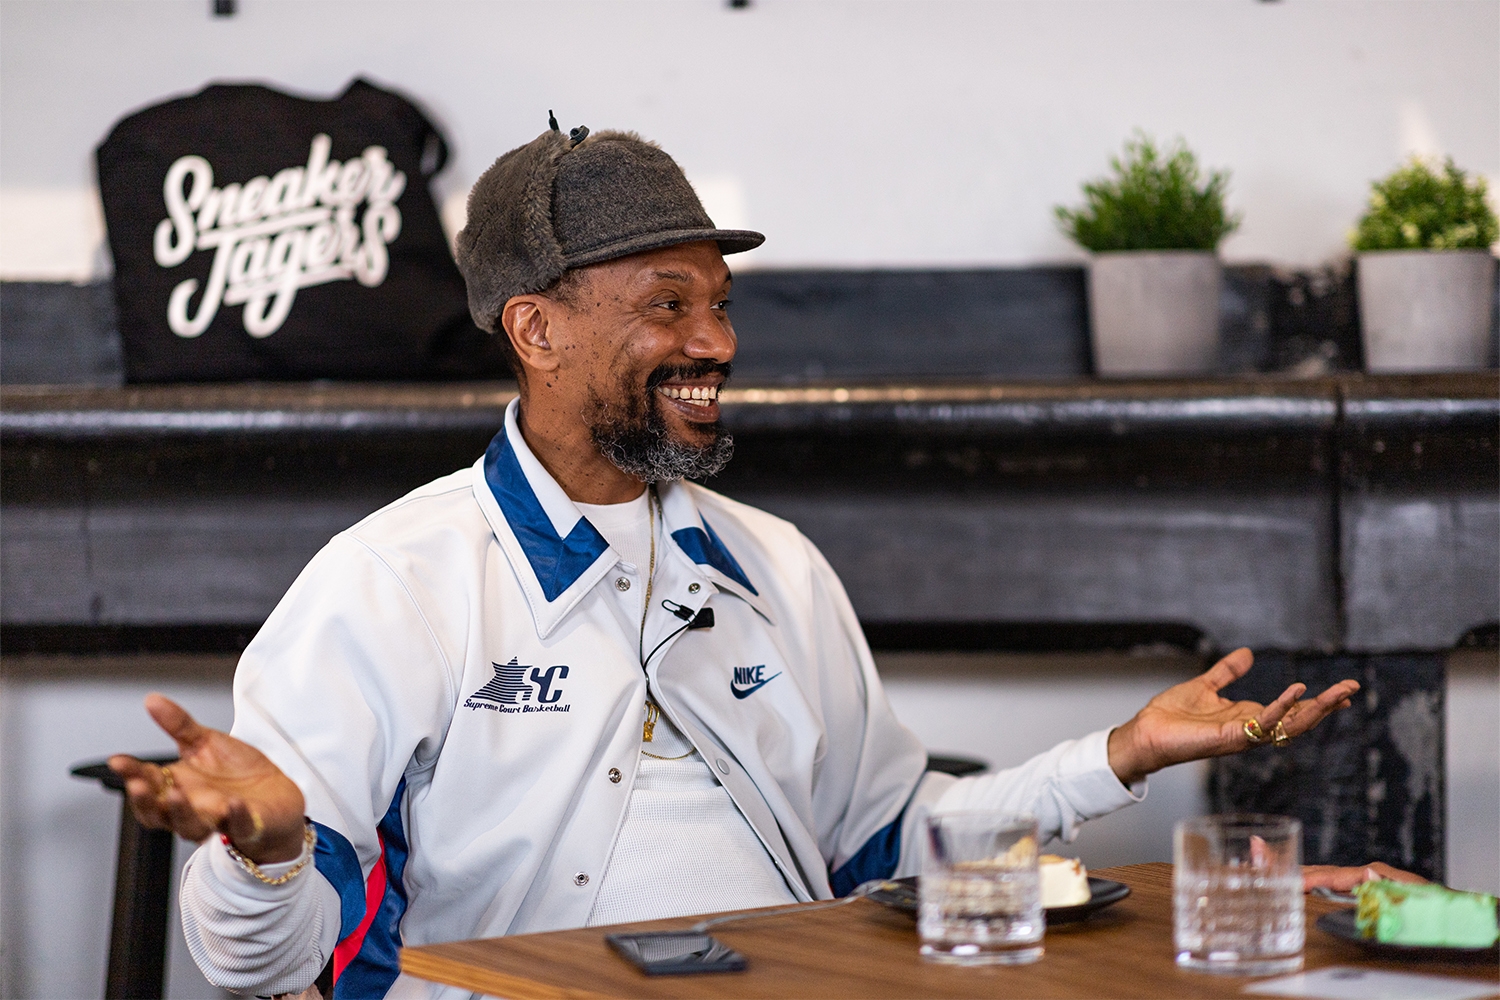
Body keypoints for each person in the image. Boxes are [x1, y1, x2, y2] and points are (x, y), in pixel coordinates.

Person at [110, 123, 1362, 1000]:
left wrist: (1119, 754)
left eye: (720, 301)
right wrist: (267, 850)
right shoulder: (389, 581)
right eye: (669, 303)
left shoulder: (780, 566)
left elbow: (896, 848)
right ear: (536, 328)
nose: (715, 339)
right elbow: (263, 964)